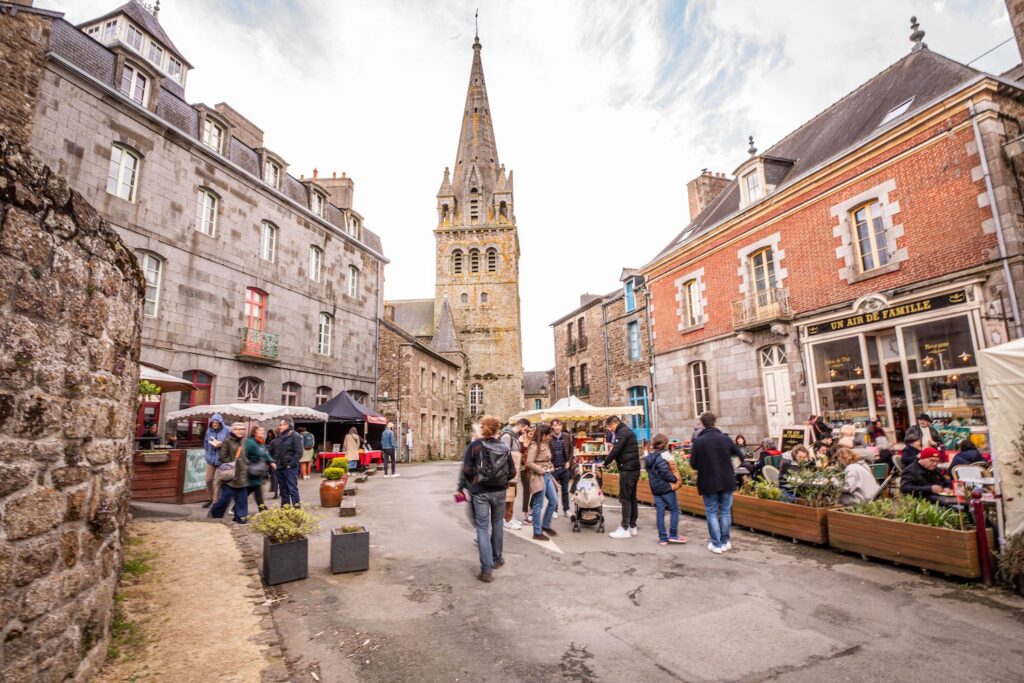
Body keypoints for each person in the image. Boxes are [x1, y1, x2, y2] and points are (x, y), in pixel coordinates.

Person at [460, 415, 516, 583]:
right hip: (499, 491)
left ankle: (486, 570)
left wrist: (476, 480)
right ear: (497, 428)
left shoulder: (475, 446)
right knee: (498, 524)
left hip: (481, 492)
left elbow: (467, 470)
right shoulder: (504, 447)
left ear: (483, 428)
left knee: (482, 528)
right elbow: (512, 471)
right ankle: (497, 559)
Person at [690, 412, 742, 554]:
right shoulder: (725, 439)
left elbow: (693, 464)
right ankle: (725, 541)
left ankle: (717, 544)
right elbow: (740, 456)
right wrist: (731, 467)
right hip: (726, 479)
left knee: (711, 512)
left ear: (702, 424)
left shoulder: (699, 441)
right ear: (715, 422)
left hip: (708, 481)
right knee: (725, 512)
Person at [603, 415, 641, 539]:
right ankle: (632, 526)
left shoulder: (622, 432)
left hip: (627, 470)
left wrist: (604, 463)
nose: (611, 430)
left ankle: (624, 528)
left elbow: (616, 450)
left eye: (610, 427)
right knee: (632, 498)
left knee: (625, 499)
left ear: (613, 424)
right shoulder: (628, 431)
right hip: (634, 469)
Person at [644, 434, 685, 545]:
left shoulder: (649, 457)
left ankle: (662, 538)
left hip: (655, 489)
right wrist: (674, 478)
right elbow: (665, 472)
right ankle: (673, 535)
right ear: (664, 444)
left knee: (660, 512)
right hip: (666, 488)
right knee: (675, 509)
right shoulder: (664, 455)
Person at [209, 422, 250, 523]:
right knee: (224, 499)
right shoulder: (227, 441)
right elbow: (222, 457)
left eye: (243, 429)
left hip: (243, 476)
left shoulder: (244, 442)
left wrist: (246, 464)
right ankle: (215, 513)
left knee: (242, 500)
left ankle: (240, 519)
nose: (242, 431)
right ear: (233, 430)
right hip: (230, 476)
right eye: (239, 429)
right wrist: (231, 465)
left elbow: (246, 456)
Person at [525, 423, 558, 541]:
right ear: (543, 434)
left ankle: (545, 525)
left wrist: (551, 466)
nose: (550, 437)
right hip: (539, 476)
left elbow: (547, 459)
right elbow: (529, 462)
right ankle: (537, 532)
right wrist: (541, 470)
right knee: (538, 504)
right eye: (548, 435)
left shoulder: (545, 444)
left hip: (547, 474)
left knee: (553, 501)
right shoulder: (534, 446)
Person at [500, 418, 530, 524]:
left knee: (513, 495)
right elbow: (503, 455)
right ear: (522, 426)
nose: (525, 432)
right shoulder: (507, 437)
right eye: (526, 429)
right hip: (508, 472)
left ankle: (510, 516)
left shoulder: (515, 437)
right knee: (508, 496)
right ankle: (506, 519)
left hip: (513, 471)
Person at [202, 413, 230, 509]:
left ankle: (215, 503)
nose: (214, 424)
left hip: (221, 460)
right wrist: (207, 454)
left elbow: (230, 444)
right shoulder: (208, 431)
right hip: (210, 459)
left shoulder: (227, 430)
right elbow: (205, 443)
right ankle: (211, 498)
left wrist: (221, 444)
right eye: (213, 422)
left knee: (217, 482)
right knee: (208, 480)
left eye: (216, 422)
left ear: (220, 423)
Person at [245, 425, 276, 511]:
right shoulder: (250, 442)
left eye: (263, 431)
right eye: (260, 431)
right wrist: (248, 463)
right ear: (255, 432)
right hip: (251, 470)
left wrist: (271, 461)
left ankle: (262, 508)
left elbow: (265, 453)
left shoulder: (260, 442)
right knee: (253, 489)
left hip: (257, 470)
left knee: (255, 489)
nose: (263, 432)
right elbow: (243, 454)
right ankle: (262, 508)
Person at [275, 418, 304, 506]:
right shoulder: (282, 436)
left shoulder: (295, 436)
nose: (279, 427)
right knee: (283, 490)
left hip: (289, 468)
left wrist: (290, 464)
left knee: (292, 489)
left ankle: (297, 511)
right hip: (280, 467)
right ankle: (285, 511)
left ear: (287, 425)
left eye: (281, 424)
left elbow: (299, 452)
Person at [550, 419, 575, 517]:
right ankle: (554, 510)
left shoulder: (567, 436)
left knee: (565, 490)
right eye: (555, 425)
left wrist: (569, 461)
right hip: (553, 469)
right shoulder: (549, 437)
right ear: (552, 426)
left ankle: (566, 509)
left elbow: (571, 450)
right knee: (554, 491)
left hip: (564, 468)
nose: (557, 427)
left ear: (561, 426)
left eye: (559, 425)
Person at [266, 429, 279, 499]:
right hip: (284, 462)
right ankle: (283, 492)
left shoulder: (273, 442)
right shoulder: (285, 441)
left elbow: (268, 452)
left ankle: (276, 492)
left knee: (275, 478)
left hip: (275, 461)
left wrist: (269, 462)